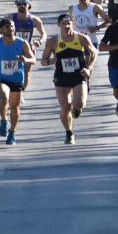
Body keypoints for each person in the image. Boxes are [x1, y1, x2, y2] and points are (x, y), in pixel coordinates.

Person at [0, 18, 36, 145]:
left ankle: (12, 132)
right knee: (3, 99)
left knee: (14, 106)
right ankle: (4, 120)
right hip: (1, 77)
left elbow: (33, 59)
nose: (11, 29)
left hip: (17, 79)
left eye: (13, 27)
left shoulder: (22, 43)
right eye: (8, 27)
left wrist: (26, 59)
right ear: (1, 30)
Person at [40, 14, 97, 145]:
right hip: (62, 77)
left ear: (73, 24)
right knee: (65, 107)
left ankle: (76, 109)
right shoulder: (53, 41)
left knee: (79, 104)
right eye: (63, 24)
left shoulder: (82, 38)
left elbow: (94, 52)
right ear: (59, 25)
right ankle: (69, 132)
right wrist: (50, 61)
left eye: (68, 23)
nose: (66, 26)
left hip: (79, 74)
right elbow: (43, 60)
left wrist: (89, 68)